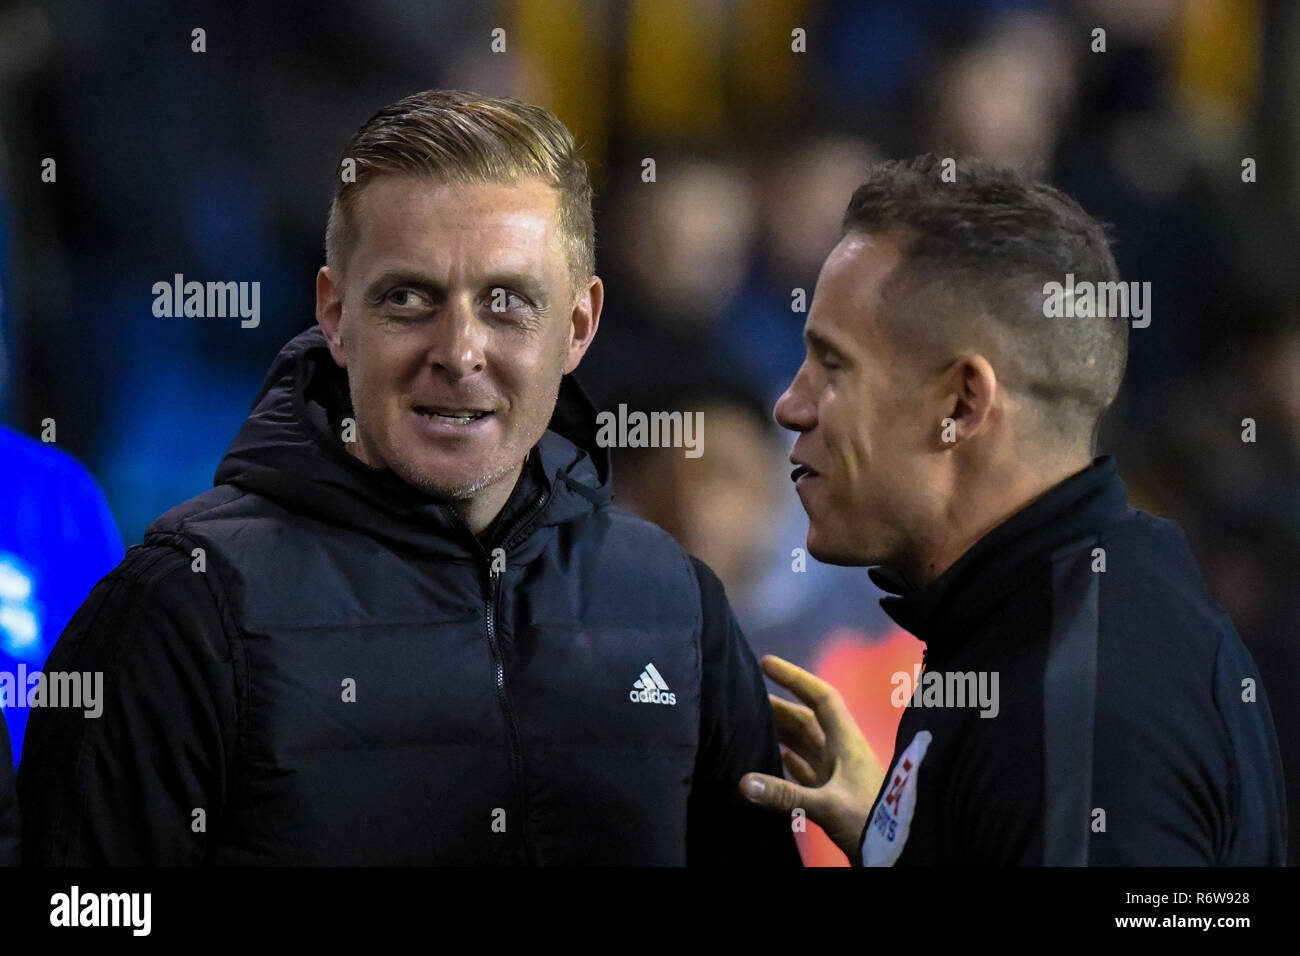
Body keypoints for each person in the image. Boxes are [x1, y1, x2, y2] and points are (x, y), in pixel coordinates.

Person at [19, 90, 799, 866]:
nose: (459, 351)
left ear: (577, 327)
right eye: (407, 298)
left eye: (505, 302)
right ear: (334, 315)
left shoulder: (676, 607)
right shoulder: (180, 612)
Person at [739, 155, 1287, 865]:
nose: (792, 404)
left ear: (962, 404)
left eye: (832, 365)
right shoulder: (1034, 620)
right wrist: (902, 842)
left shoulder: (1081, 707)